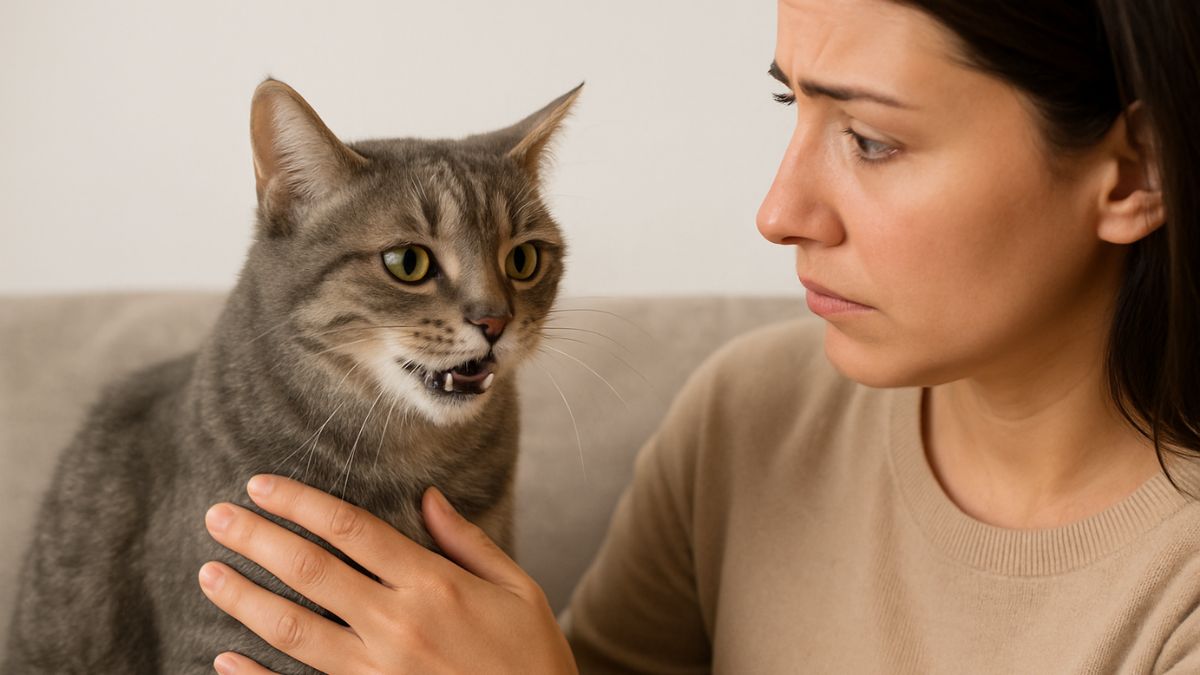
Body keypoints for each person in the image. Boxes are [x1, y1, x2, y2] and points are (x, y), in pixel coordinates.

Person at [196, 0, 1200, 672]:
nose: (778, 210)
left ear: (1134, 174)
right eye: (790, 104)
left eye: (871, 141)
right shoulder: (749, 412)